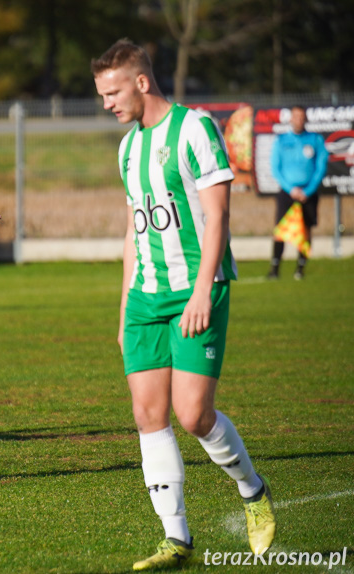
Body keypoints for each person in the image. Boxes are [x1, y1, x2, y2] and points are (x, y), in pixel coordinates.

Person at [91, 39, 276, 570]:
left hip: (198, 288)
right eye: (102, 94)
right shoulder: (128, 149)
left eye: (112, 92)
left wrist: (201, 289)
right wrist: (125, 306)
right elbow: (133, 228)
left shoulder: (194, 129)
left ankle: (253, 491)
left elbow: (218, 217)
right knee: (148, 414)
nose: (107, 104)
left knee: (193, 414)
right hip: (145, 297)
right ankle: (176, 539)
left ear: (141, 82)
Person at [268, 105, 328, 280]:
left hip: (308, 192)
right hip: (288, 192)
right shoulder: (281, 140)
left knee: (306, 230)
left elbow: (321, 167)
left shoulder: (315, 139)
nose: (299, 120)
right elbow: (275, 168)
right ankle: (275, 268)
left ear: (305, 119)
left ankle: (300, 268)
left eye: (302, 117)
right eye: (296, 117)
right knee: (280, 230)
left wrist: (308, 190)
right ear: (290, 119)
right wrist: (291, 189)